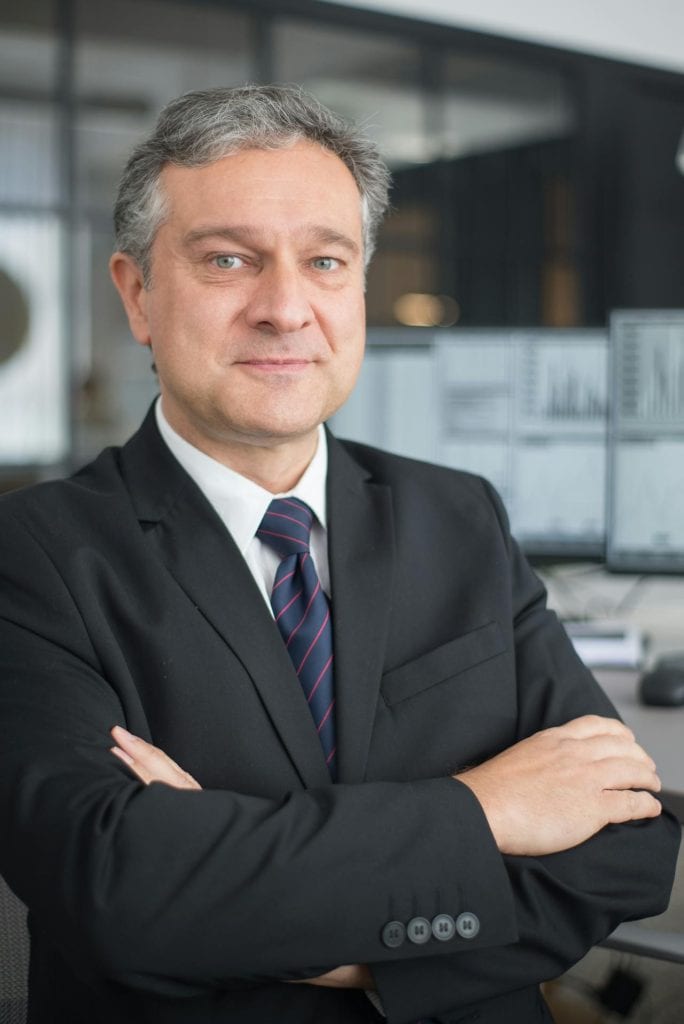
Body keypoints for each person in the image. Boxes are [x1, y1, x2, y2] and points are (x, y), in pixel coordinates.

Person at [0, 84, 679, 1024]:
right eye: (229, 259)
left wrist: (316, 947)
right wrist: (486, 810)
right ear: (137, 294)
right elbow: (120, 892)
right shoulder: (37, 556)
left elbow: (630, 846)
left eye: (324, 261)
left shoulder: (461, 516)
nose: (286, 308)